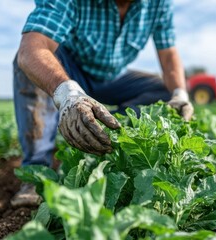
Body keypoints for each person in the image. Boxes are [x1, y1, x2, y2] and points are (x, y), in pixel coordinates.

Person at [11, 0, 194, 206]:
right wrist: (68, 94)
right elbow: (32, 49)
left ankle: (107, 139)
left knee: (164, 91)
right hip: (68, 69)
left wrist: (180, 94)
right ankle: (37, 172)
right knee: (31, 67)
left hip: (113, 77)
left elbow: (169, 54)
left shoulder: (158, 4)